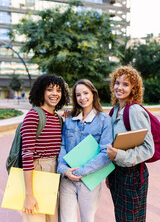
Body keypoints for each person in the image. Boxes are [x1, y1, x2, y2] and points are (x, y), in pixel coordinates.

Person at [57, 79, 113, 222]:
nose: (82, 98)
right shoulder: (69, 119)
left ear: (93, 94)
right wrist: (63, 169)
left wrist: (81, 171)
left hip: (89, 181)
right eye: (78, 95)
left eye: (86, 93)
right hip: (67, 179)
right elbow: (62, 146)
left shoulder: (104, 120)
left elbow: (105, 153)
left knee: (88, 219)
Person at [106, 66, 154, 222]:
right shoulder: (114, 111)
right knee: (120, 218)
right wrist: (109, 172)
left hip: (132, 176)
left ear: (134, 89)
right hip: (116, 173)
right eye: (117, 83)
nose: (119, 87)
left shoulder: (134, 111)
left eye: (126, 84)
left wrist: (118, 155)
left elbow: (148, 149)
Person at [20, 74, 70, 222]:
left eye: (59, 90)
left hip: (54, 172)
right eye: (50, 89)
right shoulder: (33, 116)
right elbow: (27, 155)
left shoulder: (58, 119)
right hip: (37, 172)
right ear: (41, 92)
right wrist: (29, 195)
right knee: (35, 217)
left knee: (52, 219)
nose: (55, 94)